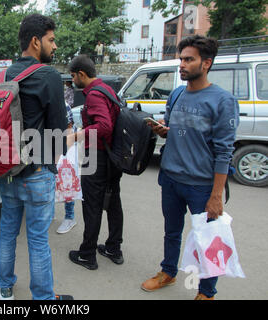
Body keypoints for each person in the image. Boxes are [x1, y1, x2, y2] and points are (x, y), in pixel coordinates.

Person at [141, 35, 239, 300]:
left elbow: (224, 152)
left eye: (188, 59)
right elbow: (173, 130)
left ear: (206, 63)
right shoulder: (177, 93)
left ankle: (206, 292)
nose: (182, 64)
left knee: (206, 239)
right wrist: (163, 130)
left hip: (202, 185)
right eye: (181, 58)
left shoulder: (222, 100)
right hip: (171, 179)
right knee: (171, 231)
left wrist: (216, 195)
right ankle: (168, 272)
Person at [0, 13, 72, 301]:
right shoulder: (48, 75)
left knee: (8, 233)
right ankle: (43, 298)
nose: (55, 46)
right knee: (38, 239)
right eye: (51, 40)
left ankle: (4, 287)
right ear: (35, 41)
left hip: (8, 170)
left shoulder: (2, 75)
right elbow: (58, 129)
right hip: (38, 172)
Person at [67, 54, 124, 270]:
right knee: (113, 203)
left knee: (92, 205)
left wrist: (78, 134)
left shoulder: (93, 95)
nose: (73, 81)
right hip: (113, 157)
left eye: (73, 76)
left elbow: (105, 126)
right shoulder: (108, 89)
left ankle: (87, 254)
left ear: (81, 74)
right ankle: (113, 248)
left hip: (98, 156)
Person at [57, 80, 77, 234]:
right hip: (49, 147)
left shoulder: (63, 105)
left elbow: (69, 131)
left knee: (67, 182)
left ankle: (70, 217)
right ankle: (47, 214)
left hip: (65, 146)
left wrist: (62, 153)